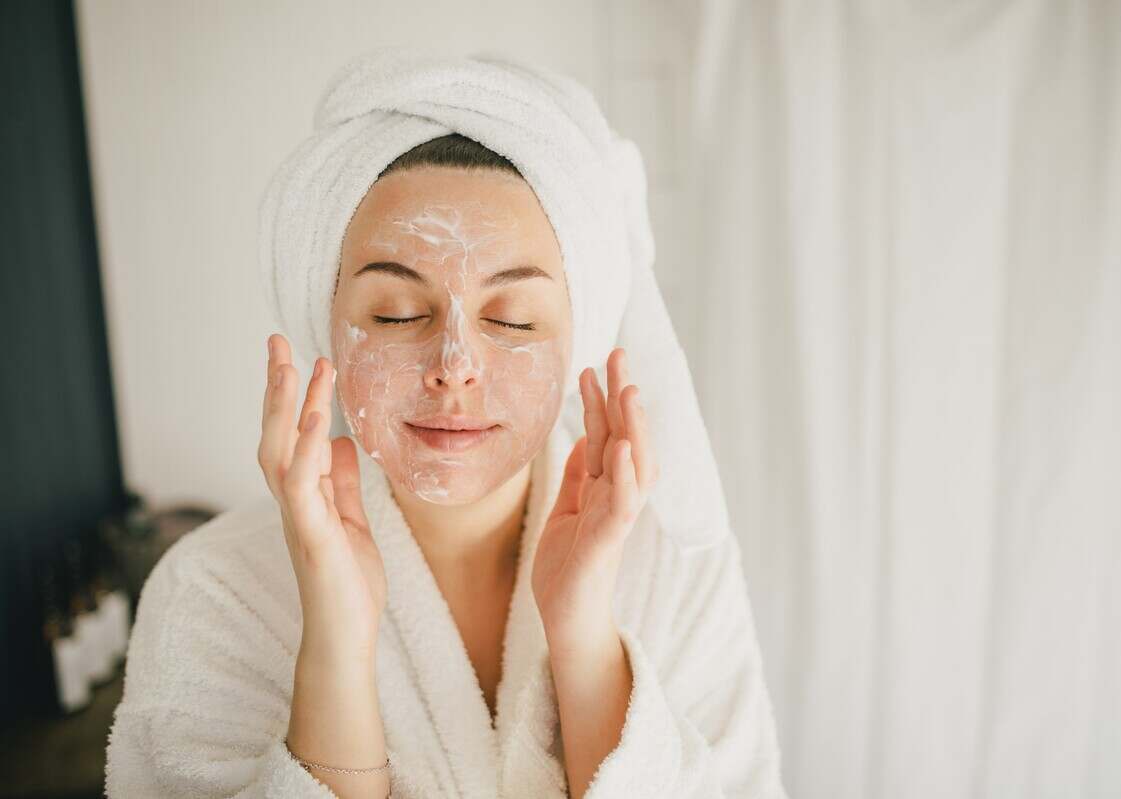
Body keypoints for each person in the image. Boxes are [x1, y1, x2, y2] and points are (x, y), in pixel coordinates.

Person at [106, 53, 786, 799]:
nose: (454, 363)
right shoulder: (213, 589)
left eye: (512, 317)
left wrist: (586, 638)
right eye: (396, 313)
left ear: (578, 339)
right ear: (329, 327)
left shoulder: (674, 568)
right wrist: (334, 641)